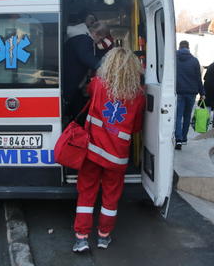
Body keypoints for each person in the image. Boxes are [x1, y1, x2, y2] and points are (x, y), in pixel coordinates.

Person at [72, 48, 145, 253]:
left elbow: (87, 91)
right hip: (117, 156)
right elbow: (137, 127)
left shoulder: (98, 84)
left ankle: (81, 238)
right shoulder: (137, 96)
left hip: (92, 151)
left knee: (86, 194)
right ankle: (104, 236)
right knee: (111, 197)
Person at [63, 20, 112, 119]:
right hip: (71, 82)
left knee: (77, 110)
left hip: (72, 82)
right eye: (101, 39)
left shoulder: (79, 37)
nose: (99, 42)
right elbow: (87, 58)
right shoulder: (84, 39)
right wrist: (103, 67)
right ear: (96, 34)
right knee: (76, 113)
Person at [175, 40, 205, 150]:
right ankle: (183, 138)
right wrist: (202, 93)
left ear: (179, 47)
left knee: (178, 117)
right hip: (191, 93)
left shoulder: (175, 59)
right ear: (188, 47)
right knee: (187, 116)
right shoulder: (194, 60)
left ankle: (177, 139)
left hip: (178, 92)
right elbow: (198, 78)